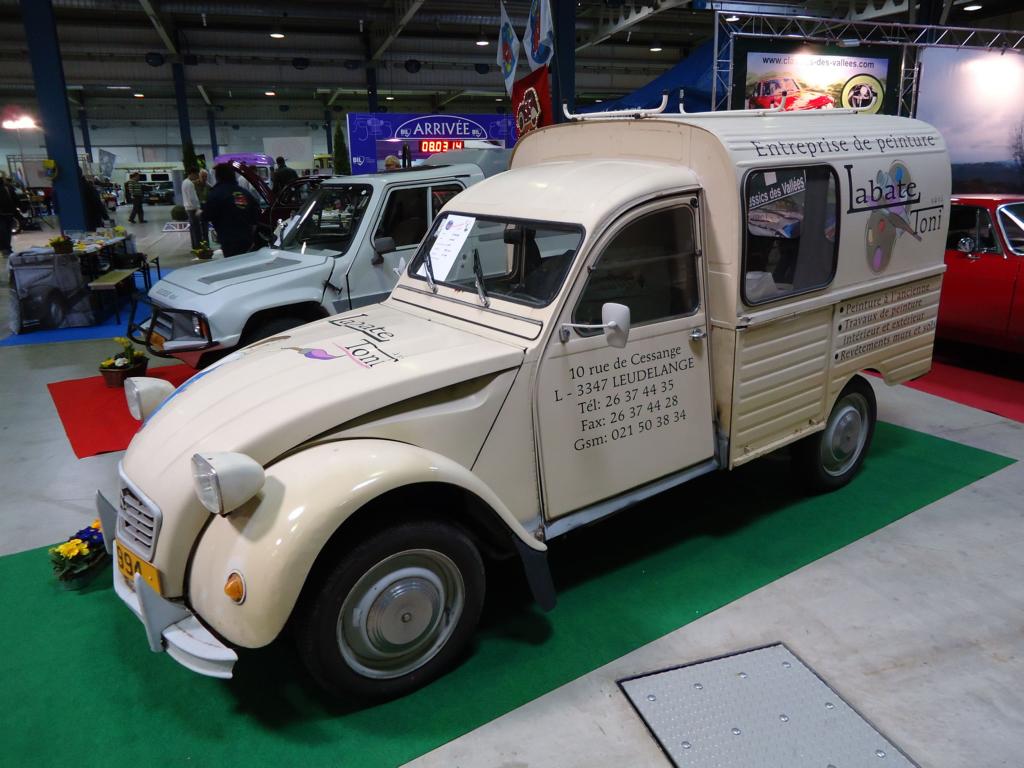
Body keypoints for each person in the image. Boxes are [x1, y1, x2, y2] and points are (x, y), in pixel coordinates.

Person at [202, 163, 260, 257]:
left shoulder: (216, 194)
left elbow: (207, 215)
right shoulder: (244, 193)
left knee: (233, 264)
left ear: (218, 177)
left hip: (228, 240)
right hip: (247, 239)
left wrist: (199, 213)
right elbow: (256, 214)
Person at [182, 167, 202, 249]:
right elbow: (192, 198)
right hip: (193, 209)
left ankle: (195, 246)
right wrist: (198, 208)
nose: (197, 176)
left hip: (188, 208)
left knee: (193, 229)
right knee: (196, 229)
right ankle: (198, 247)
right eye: (196, 174)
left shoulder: (184, 182)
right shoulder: (190, 184)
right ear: (192, 174)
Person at [0, 173, 15, 282]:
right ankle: (6, 248)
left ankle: (7, 248)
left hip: (8, 213)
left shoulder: (8, 187)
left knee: (7, 231)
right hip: (2, 214)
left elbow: (13, 198)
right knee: (3, 231)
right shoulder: (7, 187)